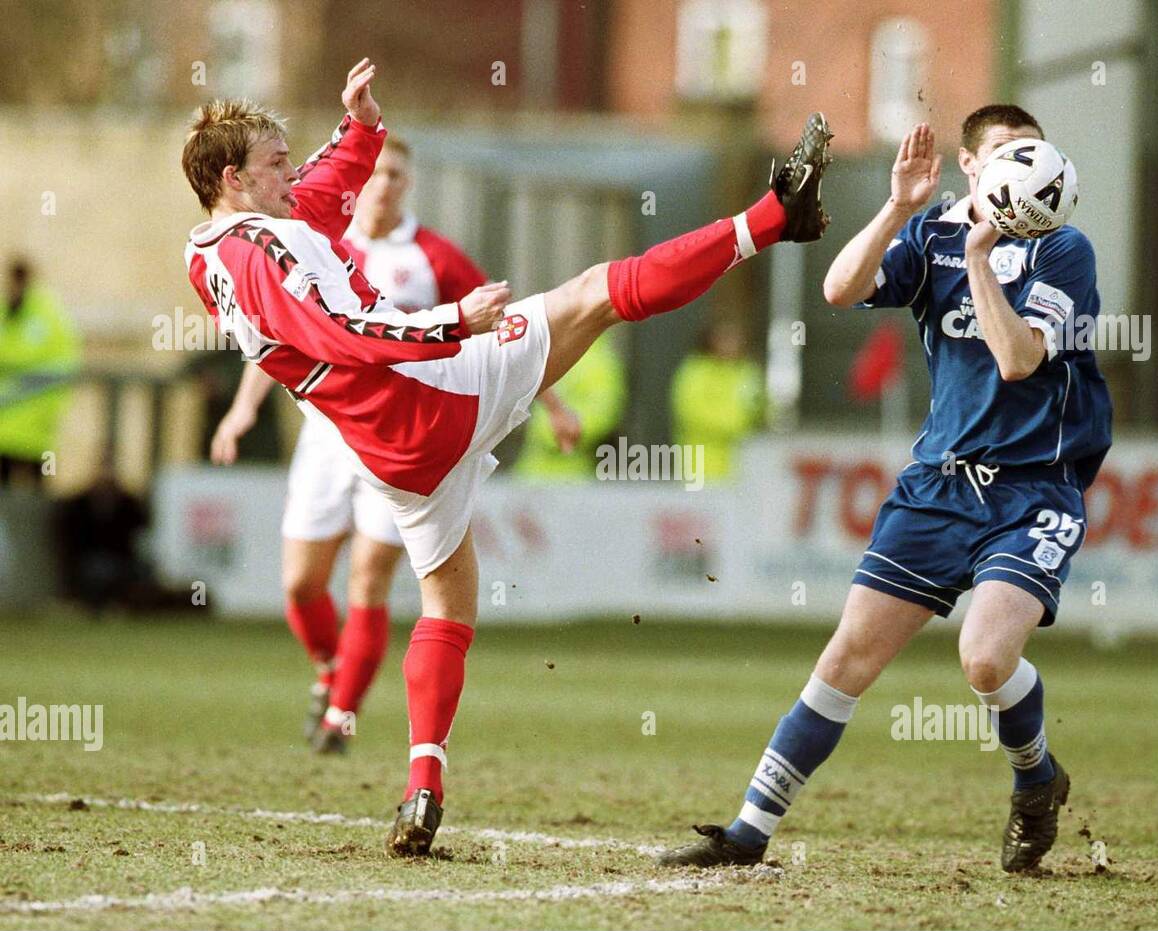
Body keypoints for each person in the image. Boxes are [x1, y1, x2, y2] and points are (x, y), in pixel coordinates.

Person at [180, 58, 833, 856]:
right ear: (232, 178)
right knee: (596, 288)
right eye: (275, 162)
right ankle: (774, 217)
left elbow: (314, 205)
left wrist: (358, 128)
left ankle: (423, 782)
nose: (291, 173)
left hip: (392, 455)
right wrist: (456, 320)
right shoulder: (266, 251)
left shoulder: (218, 252)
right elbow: (348, 331)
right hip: (436, 391)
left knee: (446, 602)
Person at [660, 107, 1112, 874]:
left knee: (984, 660)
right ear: (972, 166)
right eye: (1007, 153)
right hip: (938, 486)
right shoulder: (933, 233)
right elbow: (841, 288)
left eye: (1034, 153)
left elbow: (1018, 360)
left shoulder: (1062, 249)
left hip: (1035, 488)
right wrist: (901, 206)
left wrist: (979, 258)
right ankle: (746, 832)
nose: (1024, 168)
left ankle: (1035, 778)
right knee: (846, 661)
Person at [208, 124, 579, 755]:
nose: (382, 187)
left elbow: (499, 325)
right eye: (375, 174)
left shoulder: (433, 255)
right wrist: (241, 412)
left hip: (402, 426)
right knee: (300, 583)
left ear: (408, 186)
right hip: (328, 432)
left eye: (396, 177)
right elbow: (275, 336)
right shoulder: (306, 235)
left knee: (368, 578)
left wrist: (551, 399)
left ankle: (339, 720)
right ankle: (331, 673)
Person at [0, 259, 82, 487]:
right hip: (5, 429)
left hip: (35, 429)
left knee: (36, 498)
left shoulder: (49, 317)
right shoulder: (5, 313)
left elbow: (63, 367)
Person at [514, 330, 623, 479]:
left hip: (571, 472)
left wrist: (551, 429)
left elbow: (603, 414)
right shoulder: (552, 347)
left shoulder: (598, 361)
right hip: (531, 469)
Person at [670, 321, 763, 480]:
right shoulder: (696, 372)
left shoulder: (748, 371)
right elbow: (692, 413)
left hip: (744, 465)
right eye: (725, 338)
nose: (731, 344)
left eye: (735, 338)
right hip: (700, 464)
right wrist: (736, 423)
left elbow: (759, 408)